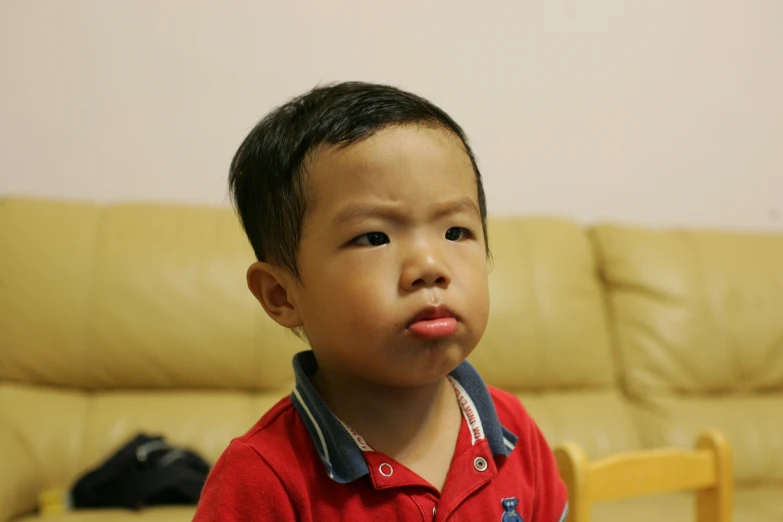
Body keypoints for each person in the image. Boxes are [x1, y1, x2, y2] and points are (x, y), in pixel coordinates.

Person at [192, 82, 569, 521]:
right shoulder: (264, 478)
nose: (430, 265)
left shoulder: (512, 431)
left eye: (455, 232)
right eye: (375, 237)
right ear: (281, 295)